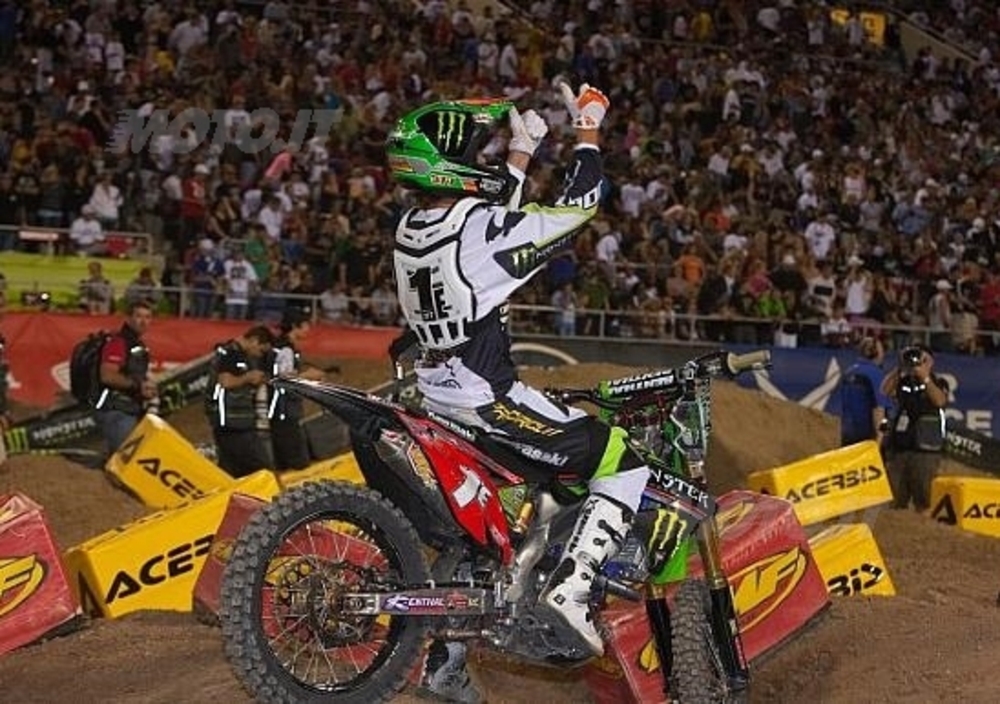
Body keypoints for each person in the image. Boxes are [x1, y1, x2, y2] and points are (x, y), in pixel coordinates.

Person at [387, 82, 651, 670]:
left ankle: (446, 667)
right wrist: (588, 132)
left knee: (498, 530)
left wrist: (521, 152)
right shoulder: (478, 231)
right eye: (472, 154)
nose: (479, 162)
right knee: (620, 459)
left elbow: (489, 223)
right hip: (486, 398)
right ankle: (572, 590)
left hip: (434, 396)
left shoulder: (409, 227)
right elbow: (576, 209)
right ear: (450, 166)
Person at [880, 344, 949, 511]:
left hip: (925, 450)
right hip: (900, 448)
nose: (917, 360)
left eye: (922, 357)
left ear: (930, 361)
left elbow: (940, 401)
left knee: (924, 498)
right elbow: (884, 391)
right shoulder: (903, 382)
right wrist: (900, 368)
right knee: (894, 499)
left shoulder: (938, 382)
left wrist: (925, 377)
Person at [205, 325, 275, 477]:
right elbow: (225, 382)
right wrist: (248, 377)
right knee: (261, 468)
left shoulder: (240, 354)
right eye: (261, 350)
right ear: (254, 340)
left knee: (232, 469)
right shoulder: (230, 353)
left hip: (236, 421)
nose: (260, 355)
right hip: (231, 422)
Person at [267, 307, 327, 471]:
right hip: (284, 409)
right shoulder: (286, 349)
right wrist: (309, 375)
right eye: (306, 324)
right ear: (295, 325)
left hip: (280, 408)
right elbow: (284, 378)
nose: (308, 329)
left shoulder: (280, 346)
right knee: (296, 458)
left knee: (283, 456)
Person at [94, 299, 156, 457]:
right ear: (128, 319)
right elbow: (107, 376)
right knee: (125, 459)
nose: (143, 321)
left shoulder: (137, 344)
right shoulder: (118, 343)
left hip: (129, 409)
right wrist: (137, 386)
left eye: (147, 317)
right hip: (116, 411)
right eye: (139, 316)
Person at [839, 336, 892, 447]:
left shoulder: (848, 372)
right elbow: (879, 408)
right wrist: (879, 441)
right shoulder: (876, 374)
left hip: (847, 433)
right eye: (882, 351)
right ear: (875, 353)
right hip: (867, 437)